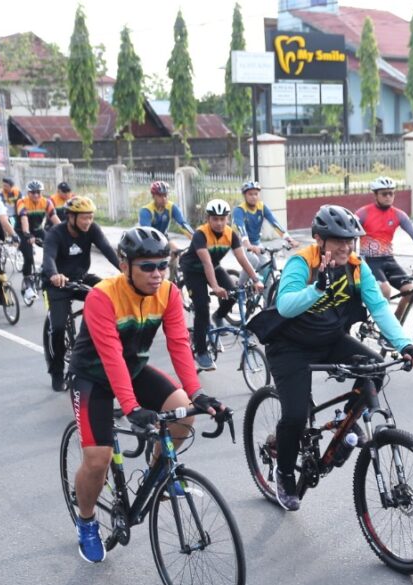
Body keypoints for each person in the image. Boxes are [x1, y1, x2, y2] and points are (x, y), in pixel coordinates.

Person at [67, 226, 225, 563]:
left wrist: (198, 393)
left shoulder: (167, 292)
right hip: (92, 377)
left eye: (163, 265)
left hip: (134, 369)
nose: (157, 274)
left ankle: (158, 474)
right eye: (148, 266)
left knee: (185, 412)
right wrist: (132, 407)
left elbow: (179, 344)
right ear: (125, 265)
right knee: (98, 460)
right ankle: (86, 520)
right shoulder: (102, 297)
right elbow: (110, 356)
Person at [264, 204, 413, 511]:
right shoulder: (301, 263)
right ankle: (283, 472)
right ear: (318, 239)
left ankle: (346, 424)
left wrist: (404, 345)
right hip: (290, 347)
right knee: (296, 416)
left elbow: (378, 308)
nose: (346, 246)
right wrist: (317, 288)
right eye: (338, 240)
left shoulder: (355, 265)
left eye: (350, 239)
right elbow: (285, 306)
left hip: (330, 338)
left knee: (376, 371)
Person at [42, 195, 120, 392]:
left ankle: (95, 338)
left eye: (91, 217)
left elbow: (107, 250)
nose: (88, 222)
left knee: (110, 295)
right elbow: (49, 257)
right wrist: (54, 275)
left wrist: (126, 271)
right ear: (71, 217)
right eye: (84, 218)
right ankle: (57, 371)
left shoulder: (92, 229)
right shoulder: (56, 233)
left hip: (81, 277)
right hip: (57, 283)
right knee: (58, 327)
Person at [178, 198, 262, 371]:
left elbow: (241, 258)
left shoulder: (230, 234)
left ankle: (219, 316)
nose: (219, 222)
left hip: (213, 267)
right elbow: (206, 263)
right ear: (208, 219)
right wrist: (215, 287)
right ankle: (201, 352)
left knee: (234, 291)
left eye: (222, 219)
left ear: (227, 219)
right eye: (215, 219)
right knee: (202, 308)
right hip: (193, 270)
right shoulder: (200, 234)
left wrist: (256, 279)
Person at [355, 176, 413, 319]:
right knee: (385, 290)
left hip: (388, 260)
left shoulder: (398, 214)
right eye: (384, 193)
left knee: (410, 290)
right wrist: (352, 257)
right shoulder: (363, 213)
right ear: (375, 195)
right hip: (369, 260)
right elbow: (351, 233)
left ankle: (395, 322)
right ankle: (382, 324)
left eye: (391, 193)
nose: (388, 197)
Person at [232, 180, 298, 271]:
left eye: (256, 194)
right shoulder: (239, 210)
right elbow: (242, 232)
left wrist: (290, 240)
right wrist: (249, 246)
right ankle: (240, 285)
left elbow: (275, 224)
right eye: (250, 194)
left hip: (256, 243)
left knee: (269, 266)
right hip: (240, 245)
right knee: (253, 261)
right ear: (245, 195)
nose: (254, 197)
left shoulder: (262, 207)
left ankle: (267, 284)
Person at [16, 180, 59, 298]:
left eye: (38, 192)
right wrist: (27, 235)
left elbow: (55, 218)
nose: (36, 195)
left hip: (38, 230)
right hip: (22, 232)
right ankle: (28, 284)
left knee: (54, 248)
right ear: (28, 193)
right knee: (29, 256)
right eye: (32, 192)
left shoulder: (46, 202)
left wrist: (64, 231)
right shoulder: (22, 201)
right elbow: (24, 219)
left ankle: (45, 268)